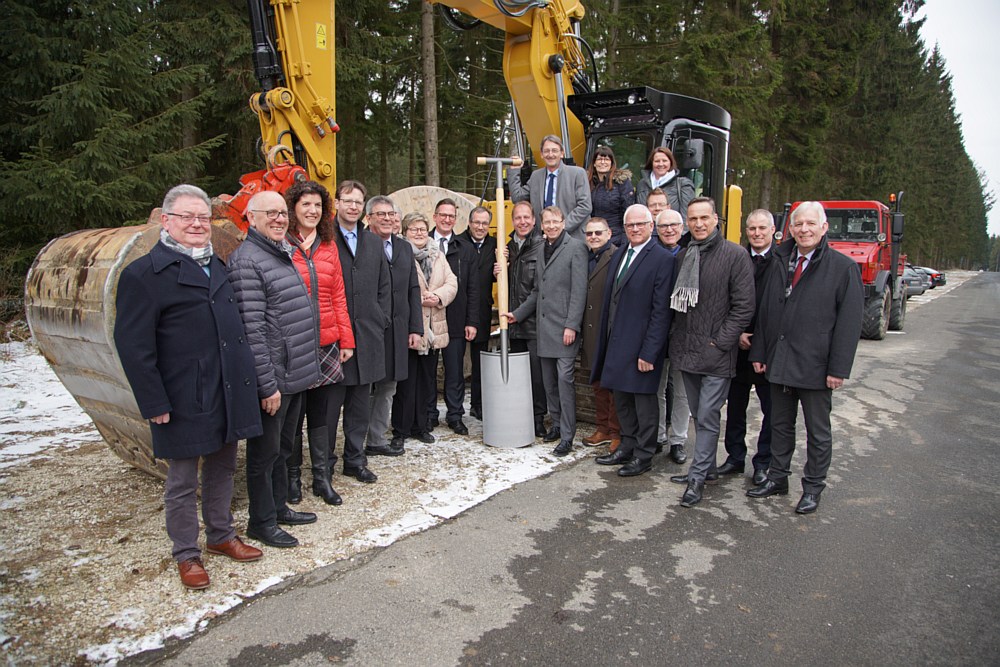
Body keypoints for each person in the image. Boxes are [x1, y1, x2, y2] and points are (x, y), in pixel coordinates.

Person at [115, 184, 264, 590]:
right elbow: (133, 346)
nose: (198, 224)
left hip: (227, 387)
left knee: (222, 466)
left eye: (203, 217)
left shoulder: (216, 264)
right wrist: (153, 400)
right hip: (182, 393)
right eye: (187, 217)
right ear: (166, 221)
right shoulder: (144, 275)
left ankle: (220, 535)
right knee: (183, 480)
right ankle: (186, 553)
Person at [747, 201, 863, 514]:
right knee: (780, 426)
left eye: (811, 224)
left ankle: (812, 488)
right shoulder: (779, 260)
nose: (804, 229)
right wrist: (760, 351)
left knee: (818, 433)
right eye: (799, 224)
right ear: (791, 229)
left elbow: (849, 324)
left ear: (824, 228)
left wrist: (838, 368)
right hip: (779, 361)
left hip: (816, 365)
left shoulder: (842, 268)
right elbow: (766, 310)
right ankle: (778, 477)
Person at [228, 190, 321, 548]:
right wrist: (267, 386)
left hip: (293, 373)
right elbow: (252, 331)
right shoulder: (247, 261)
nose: (280, 219)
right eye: (271, 213)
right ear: (251, 218)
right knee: (264, 454)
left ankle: (279, 507)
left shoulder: (279, 253)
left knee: (283, 447)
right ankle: (261, 521)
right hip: (275, 378)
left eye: (283, 213)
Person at [668, 197, 755, 508]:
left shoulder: (735, 255)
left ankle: (697, 478)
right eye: (693, 218)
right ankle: (706, 468)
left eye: (704, 217)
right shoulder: (683, 255)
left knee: (706, 415)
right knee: (698, 414)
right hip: (686, 350)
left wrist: (720, 342)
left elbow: (743, 307)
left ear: (716, 219)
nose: (699, 224)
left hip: (716, 353)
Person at [282, 181, 355, 507]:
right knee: (294, 418)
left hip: (327, 342)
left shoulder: (328, 246)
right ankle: (292, 478)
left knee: (324, 416)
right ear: (293, 208)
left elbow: (338, 295)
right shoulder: (281, 244)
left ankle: (322, 478)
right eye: (305, 205)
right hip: (294, 345)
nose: (312, 211)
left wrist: (346, 338)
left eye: (317, 206)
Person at [591, 204, 675, 477]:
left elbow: (661, 311)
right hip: (616, 343)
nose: (635, 229)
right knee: (622, 400)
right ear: (624, 228)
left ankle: (644, 454)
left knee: (644, 404)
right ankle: (626, 447)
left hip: (642, 347)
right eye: (630, 225)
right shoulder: (619, 255)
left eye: (641, 224)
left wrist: (650, 352)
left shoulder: (662, 259)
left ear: (651, 226)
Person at [504, 206, 588, 456]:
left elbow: (579, 291)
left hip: (564, 329)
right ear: (542, 225)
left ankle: (567, 435)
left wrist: (572, 325)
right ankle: (555, 425)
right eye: (547, 222)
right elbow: (537, 291)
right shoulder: (541, 248)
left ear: (563, 222)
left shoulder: (576, 248)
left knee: (564, 381)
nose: (551, 226)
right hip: (543, 328)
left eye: (555, 221)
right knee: (549, 382)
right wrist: (517, 315)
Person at [329, 180, 391, 484]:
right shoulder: (324, 237)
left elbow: (384, 286)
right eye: (347, 200)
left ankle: (354, 460)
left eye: (358, 202)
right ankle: (324, 465)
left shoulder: (373, 242)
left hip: (367, 334)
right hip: (334, 337)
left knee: (359, 403)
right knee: (328, 409)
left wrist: (379, 317)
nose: (353, 206)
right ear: (337, 203)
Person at [719, 209, 776, 485]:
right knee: (735, 407)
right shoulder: (737, 258)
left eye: (762, 228)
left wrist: (761, 341)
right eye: (752, 228)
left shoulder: (782, 261)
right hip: (738, 348)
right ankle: (735, 457)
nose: (756, 233)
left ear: (773, 230)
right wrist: (738, 332)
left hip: (769, 350)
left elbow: (779, 307)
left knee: (772, 410)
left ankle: (764, 461)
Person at [363, 196, 423, 457]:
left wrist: (416, 328)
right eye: (381, 214)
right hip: (369, 329)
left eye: (390, 214)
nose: (387, 219)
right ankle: (356, 442)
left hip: (398, 330)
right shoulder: (361, 246)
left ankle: (375, 440)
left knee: (389, 387)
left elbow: (412, 289)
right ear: (369, 218)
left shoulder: (403, 248)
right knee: (363, 388)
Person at [391, 213, 458, 445]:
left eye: (422, 228)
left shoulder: (437, 254)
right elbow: (396, 286)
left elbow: (452, 282)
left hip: (433, 328)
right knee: (406, 383)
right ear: (405, 231)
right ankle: (401, 429)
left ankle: (421, 426)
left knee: (426, 381)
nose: (419, 233)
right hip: (410, 327)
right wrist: (420, 297)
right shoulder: (400, 253)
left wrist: (437, 297)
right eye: (413, 229)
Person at [429, 198, 480, 435]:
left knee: (455, 370)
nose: (447, 219)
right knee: (427, 369)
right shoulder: (423, 243)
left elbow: (473, 288)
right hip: (429, 318)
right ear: (435, 216)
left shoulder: (465, 248)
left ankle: (455, 414)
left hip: (456, 319)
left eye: (451, 216)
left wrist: (471, 321)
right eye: (443, 215)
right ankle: (428, 414)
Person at [498, 201, 548, 436]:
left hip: (532, 323)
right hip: (513, 323)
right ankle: (523, 414)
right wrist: (499, 271)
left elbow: (539, 290)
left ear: (534, 220)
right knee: (519, 376)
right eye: (518, 218)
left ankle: (538, 418)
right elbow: (508, 285)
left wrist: (518, 315)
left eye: (527, 217)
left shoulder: (541, 247)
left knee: (536, 376)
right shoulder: (508, 247)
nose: (522, 222)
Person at [578, 217, 621, 451]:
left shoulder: (616, 256)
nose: (593, 237)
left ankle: (616, 431)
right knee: (597, 385)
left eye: (598, 233)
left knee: (612, 386)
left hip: (608, 331)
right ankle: (602, 428)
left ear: (609, 233)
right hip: (590, 330)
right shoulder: (585, 257)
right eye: (589, 233)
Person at [653, 208, 690, 465]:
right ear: (657, 229)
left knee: (681, 391)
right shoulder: (651, 255)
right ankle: (657, 435)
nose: (668, 230)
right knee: (656, 388)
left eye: (673, 225)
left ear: (682, 228)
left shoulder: (691, 255)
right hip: (657, 332)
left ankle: (678, 439)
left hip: (684, 332)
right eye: (663, 226)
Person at [508, 134, 592, 239]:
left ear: (562, 153)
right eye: (546, 151)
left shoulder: (577, 173)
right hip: (543, 240)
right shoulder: (536, 176)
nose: (550, 154)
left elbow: (585, 206)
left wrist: (560, 227)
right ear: (542, 154)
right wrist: (514, 171)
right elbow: (517, 197)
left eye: (554, 150)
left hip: (572, 238)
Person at [458, 206, 497, 421]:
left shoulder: (494, 244)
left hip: (481, 308)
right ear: (469, 223)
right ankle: (454, 407)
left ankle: (478, 404)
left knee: (479, 360)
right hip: (457, 309)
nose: (480, 227)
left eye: (484, 223)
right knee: (454, 361)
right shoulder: (458, 242)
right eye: (476, 222)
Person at [588, 146, 634, 247]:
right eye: (599, 159)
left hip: (616, 239)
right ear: (594, 163)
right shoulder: (588, 184)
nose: (603, 162)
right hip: (594, 237)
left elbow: (628, 213)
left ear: (612, 163)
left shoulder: (622, 183)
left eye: (606, 159)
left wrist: (624, 240)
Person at [635, 147, 695, 221]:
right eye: (657, 161)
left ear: (670, 162)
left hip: (672, 231)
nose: (661, 164)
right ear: (652, 163)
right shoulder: (641, 184)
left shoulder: (683, 184)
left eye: (664, 161)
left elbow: (687, 217)